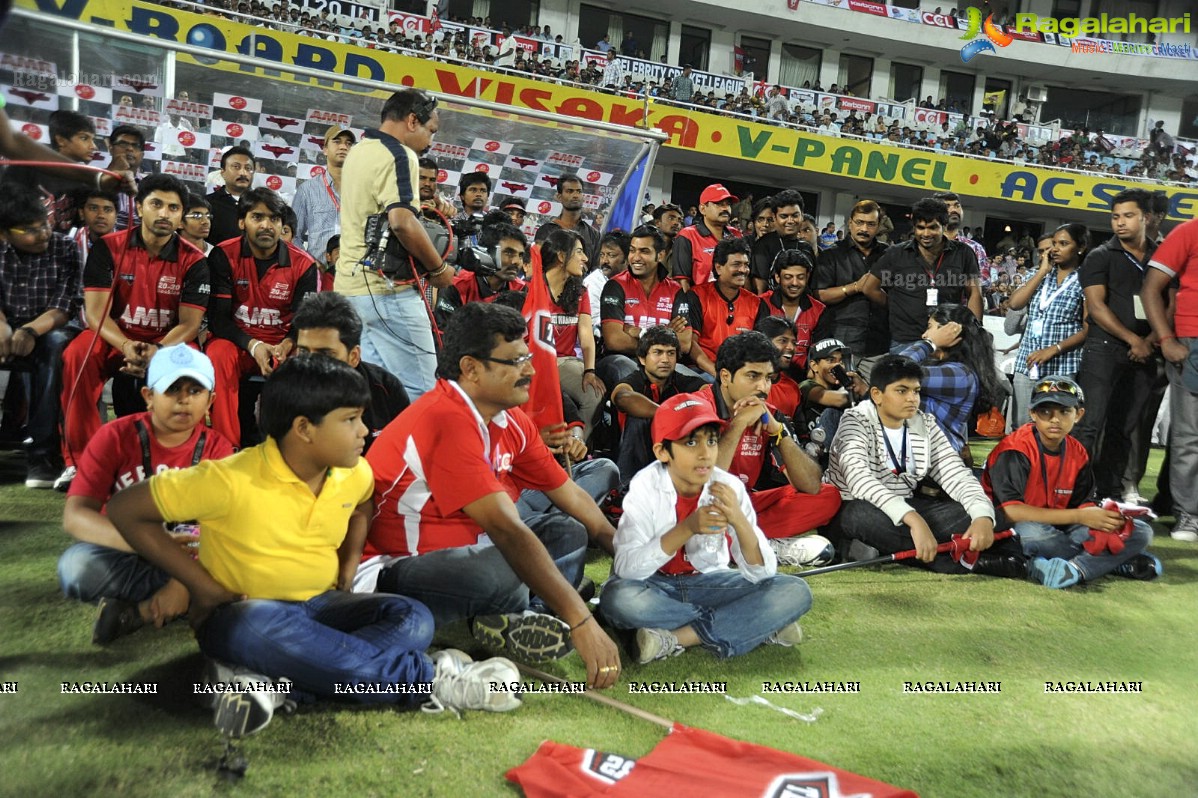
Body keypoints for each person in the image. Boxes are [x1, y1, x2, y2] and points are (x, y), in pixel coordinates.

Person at [105, 354, 523, 735]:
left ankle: (276, 684)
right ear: (303, 428)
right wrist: (200, 585)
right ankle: (433, 680)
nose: (364, 431)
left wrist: (350, 561)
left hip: (321, 608)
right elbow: (126, 509)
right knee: (260, 625)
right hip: (245, 615)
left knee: (412, 616)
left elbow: (363, 504)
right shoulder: (229, 478)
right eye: (351, 419)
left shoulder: (352, 471)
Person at [358, 303, 622, 687]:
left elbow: (573, 496)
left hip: (469, 551)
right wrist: (580, 620)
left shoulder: (509, 417)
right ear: (471, 368)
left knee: (568, 530)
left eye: (528, 357)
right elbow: (507, 531)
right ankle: (521, 612)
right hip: (398, 567)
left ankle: (517, 619)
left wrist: (634, 560)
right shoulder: (445, 418)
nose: (530, 370)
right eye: (516, 361)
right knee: (505, 562)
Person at [599, 392, 810, 663]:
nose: (705, 453)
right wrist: (687, 528)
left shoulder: (728, 486)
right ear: (662, 452)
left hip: (708, 582)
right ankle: (754, 623)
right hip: (652, 585)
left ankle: (675, 638)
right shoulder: (645, 487)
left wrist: (739, 521)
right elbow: (628, 567)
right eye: (690, 442)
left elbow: (763, 572)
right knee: (617, 600)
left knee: (794, 590)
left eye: (711, 441)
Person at [57, 346, 235, 643]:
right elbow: (76, 518)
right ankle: (201, 598)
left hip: (194, 557)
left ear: (210, 401)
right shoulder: (114, 436)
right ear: (148, 397)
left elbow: (223, 530)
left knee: (246, 565)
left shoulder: (220, 450)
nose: (183, 399)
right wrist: (152, 546)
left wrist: (181, 581)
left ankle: (142, 611)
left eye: (195, 390)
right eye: (172, 389)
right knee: (77, 567)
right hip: (127, 552)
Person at [58, 174, 210, 489]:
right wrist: (127, 345)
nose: (165, 214)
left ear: (181, 216)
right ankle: (82, 463)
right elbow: (96, 314)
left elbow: (190, 325)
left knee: (193, 367)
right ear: (140, 208)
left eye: (173, 208)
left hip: (167, 343)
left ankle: (178, 460)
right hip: (114, 336)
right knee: (76, 356)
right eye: (156, 204)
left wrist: (156, 352)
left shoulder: (195, 261)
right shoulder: (109, 247)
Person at [824, 355, 1024, 575]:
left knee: (997, 513)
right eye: (902, 391)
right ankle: (963, 562)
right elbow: (860, 482)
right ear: (877, 395)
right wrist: (914, 520)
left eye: (916, 391)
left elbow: (956, 474)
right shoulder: (855, 421)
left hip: (906, 507)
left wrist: (982, 516)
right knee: (860, 516)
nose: (912, 398)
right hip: (855, 506)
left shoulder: (925, 424)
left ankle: (883, 548)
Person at [982, 375, 1159, 588]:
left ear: (1078, 415)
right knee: (1035, 536)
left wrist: (1104, 518)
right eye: (1045, 412)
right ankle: (1110, 562)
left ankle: (1074, 568)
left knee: (1140, 531)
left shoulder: (1077, 451)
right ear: (1032, 414)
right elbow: (1010, 512)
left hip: (1063, 527)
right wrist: (1080, 516)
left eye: (1064, 411)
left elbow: (1083, 503)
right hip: (1014, 527)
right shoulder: (1015, 449)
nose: (1055, 419)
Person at [337, 88, 455, 400]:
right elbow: (402, 222)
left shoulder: (359, 151)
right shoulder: (401, 155)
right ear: (413, 120)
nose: (431, 141)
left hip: (351, 291)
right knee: (424, 395)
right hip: (388, 293)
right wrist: (439, 268)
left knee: (373, 394)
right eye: (431, 130)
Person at [694, 331, 841, 562]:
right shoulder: (698, 409)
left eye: (769, 378)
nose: (763, 387)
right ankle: (759, 545)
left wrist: (777, 431)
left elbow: (811, 486)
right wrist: (740, 422)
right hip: (697, 505)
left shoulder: (770, 414)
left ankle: (741, 544)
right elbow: (701, 484)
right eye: (753, 376)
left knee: (828, 495)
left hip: (741, 506)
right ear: (725, 376)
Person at [205, 187, 319, 445]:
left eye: (275, 219)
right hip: (238, 343)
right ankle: (225, 447)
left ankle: (290, 450)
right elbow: (218, 319)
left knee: (305, 357)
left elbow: (304, 322)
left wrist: (287, 345)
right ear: (241, 222)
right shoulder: (223, 254)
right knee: (218, 353)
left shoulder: (303, 264)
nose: (267, 225)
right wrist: (254, 345)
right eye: (258, 217)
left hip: (281, 345)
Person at [1072, 189, 1159, 499]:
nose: (1120, 223)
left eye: (1128, 216)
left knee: (1124, 429)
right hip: (1104, 349)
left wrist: (1149, 340)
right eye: (1115, 217)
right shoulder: (1099, 255)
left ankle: (1110, 492)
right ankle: (1075, 489)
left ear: (1146, 218)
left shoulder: (1162, 256)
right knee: (1090, 425)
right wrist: (1135, 339)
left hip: (1147, 352)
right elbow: (1096, 307)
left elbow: (1171, 305)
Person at [0, 183, 82, 488]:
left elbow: (65, 305)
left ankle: (43, 453)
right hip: (8, 325)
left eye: (45, 225)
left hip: (51, 327)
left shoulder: (65, 247)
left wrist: (30, 330)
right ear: (5, 233)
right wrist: (4, 329)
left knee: (55, 347)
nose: (43, 234)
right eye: (30, 230)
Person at [291, 292, 409, 454]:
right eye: (304, 352)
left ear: (353, 356)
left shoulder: (386, 389)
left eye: (325, 354)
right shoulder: (283, 396)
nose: (311, 365)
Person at [860, 197, 983, 350]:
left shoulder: (963, 253)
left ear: (944, 226)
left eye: (932, 227)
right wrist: (894, 304)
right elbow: (869, 288)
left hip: (947, 339)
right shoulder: (896, 253)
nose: (926, 233)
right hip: (904, 340)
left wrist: (974, 332)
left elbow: (974, 293)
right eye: (920, 227)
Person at [1142, 218, 1198, 541]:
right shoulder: (1188, 232)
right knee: (1190, 435)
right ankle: (1188, 515)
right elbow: (1151, 287)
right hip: (1191, 342)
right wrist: (1166, 340)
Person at [895, 304, 1007, 454]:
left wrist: (930, 343)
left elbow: (894, 369)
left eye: (930, 327)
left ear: (948, 333)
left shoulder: (960, 374)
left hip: (938, 464)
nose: (924, 335)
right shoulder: (942, 368)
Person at [1007, 223, 1088, 422]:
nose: (1055, 249)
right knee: (1023, 425)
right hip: (1027, 363)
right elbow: (1015, 303)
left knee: (1053, 426)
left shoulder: (1086, 280)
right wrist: (1042, 271)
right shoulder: (1039, 275)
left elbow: (1088, 329)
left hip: (1062, 365)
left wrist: (1054, 349)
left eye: (1063, 243)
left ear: (1080, 247)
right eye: (1054, 243)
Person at [611, 325, 708, 485]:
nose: (665, 360)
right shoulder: (633, 380)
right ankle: (626, 487)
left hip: (671, 462)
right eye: (657, 352)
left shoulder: (681, 381)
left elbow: (709, 393)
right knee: (639, 417)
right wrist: (669, 414)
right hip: (632, 462)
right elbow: (623, 396)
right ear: (642, 358)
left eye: (671, 353)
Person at [598, 225, 690, 390]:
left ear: (660, 255)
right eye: (632, 250)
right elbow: (614, 340)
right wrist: (664, 336)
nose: (635, 258)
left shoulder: (676, 291)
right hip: (620, 359)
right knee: (634, 377)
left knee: (701, 383)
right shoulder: (615, 285)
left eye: (644, 251)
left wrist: (636, 331)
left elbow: (683, 343)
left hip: (664, 363)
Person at [539, 228, 605, 442]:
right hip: (536, 362)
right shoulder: (533, 289)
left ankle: (577, 448)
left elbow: (586, 336)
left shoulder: (580, 291)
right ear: (561, 256)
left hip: (563, 362)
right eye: (578, 252)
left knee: (594, 394)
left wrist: (590, 370)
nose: (585, 258)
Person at [680, 238, 769, 377]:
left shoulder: (757, 303)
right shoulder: (696, 296)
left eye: (746, 265)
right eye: (736, 264)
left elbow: (759, 347)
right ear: (718, 267)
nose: (743, 270)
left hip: (740, 374)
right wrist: (717, 373)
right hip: (702, 370)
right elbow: (691, 344)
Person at [813, 200, 889, 359]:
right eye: (859, 222)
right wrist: (855, 287)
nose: (864, 229)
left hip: (883, 335)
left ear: (879, 226)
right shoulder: (831, 254)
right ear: (850, 223)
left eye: (871, 224)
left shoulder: (889, 254)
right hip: (842, 333)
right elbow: (820, 295)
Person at [434, 212, 527, 330]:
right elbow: (444, 336)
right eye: (508, 253)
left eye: (520, 255)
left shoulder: (521, 289)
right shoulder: (457, 285)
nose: (517, 262)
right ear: (486, 251)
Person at [796, 337, 867, 461]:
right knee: (833, 412)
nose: (838, 366)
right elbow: (840, 400)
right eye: (831, 360)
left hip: (841, 448)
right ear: (814, 365)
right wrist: (857, 389)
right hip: (815, 453)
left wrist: (863, 388)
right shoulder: (806, 386)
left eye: (841, 361)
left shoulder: (843, 386)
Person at [292, 125, 355, 262]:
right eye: (337, 141)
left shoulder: (362, 190)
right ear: (325, 149)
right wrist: (310, 264)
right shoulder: (307, 190)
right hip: (318, 274)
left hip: (353, 275)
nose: (344, 147)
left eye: (348, 143)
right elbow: (292, 235)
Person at [760, 249, 829, 371]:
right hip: (767, 376)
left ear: (807, 277)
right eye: (788, 277)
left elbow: (819, 356)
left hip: (803, 379)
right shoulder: (761, 303)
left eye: (800, 277)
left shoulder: (819, 310)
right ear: (777, 277)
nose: (795, 283)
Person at [671, 183, 742, 292]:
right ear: (703, 208)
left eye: (727, 204)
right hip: (701, 304)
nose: (725, 208)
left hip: (732, 304)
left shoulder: (736, 235)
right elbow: (682, 281)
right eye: (718, 204)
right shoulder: (688, 235)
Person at [749, 190, 810, 294]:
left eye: (795, 215)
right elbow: (760, 291)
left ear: (802, 216)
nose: (790, 221)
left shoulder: (807, 248)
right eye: (784, 216)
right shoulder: (763, 245)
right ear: (775, 217)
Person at [534, 175, 600, 266]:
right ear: (559, 196)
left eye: (579, 191)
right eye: (569, 191)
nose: (575, 195)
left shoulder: (593, 234)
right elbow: (539, 265)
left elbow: (596, 267)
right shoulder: (546, 231)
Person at [205, 146, 256, 245]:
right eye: (236, 167)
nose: (243, 173)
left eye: (248, 168)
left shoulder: (263, 205)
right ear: (222, 172)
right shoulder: (207, 204)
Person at [585, 231, 629, 340]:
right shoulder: (593, 282)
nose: (604, 261)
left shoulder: (636, 280)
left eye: (611, 255)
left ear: (627, 258)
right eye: (602, 255)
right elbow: (595, 322)